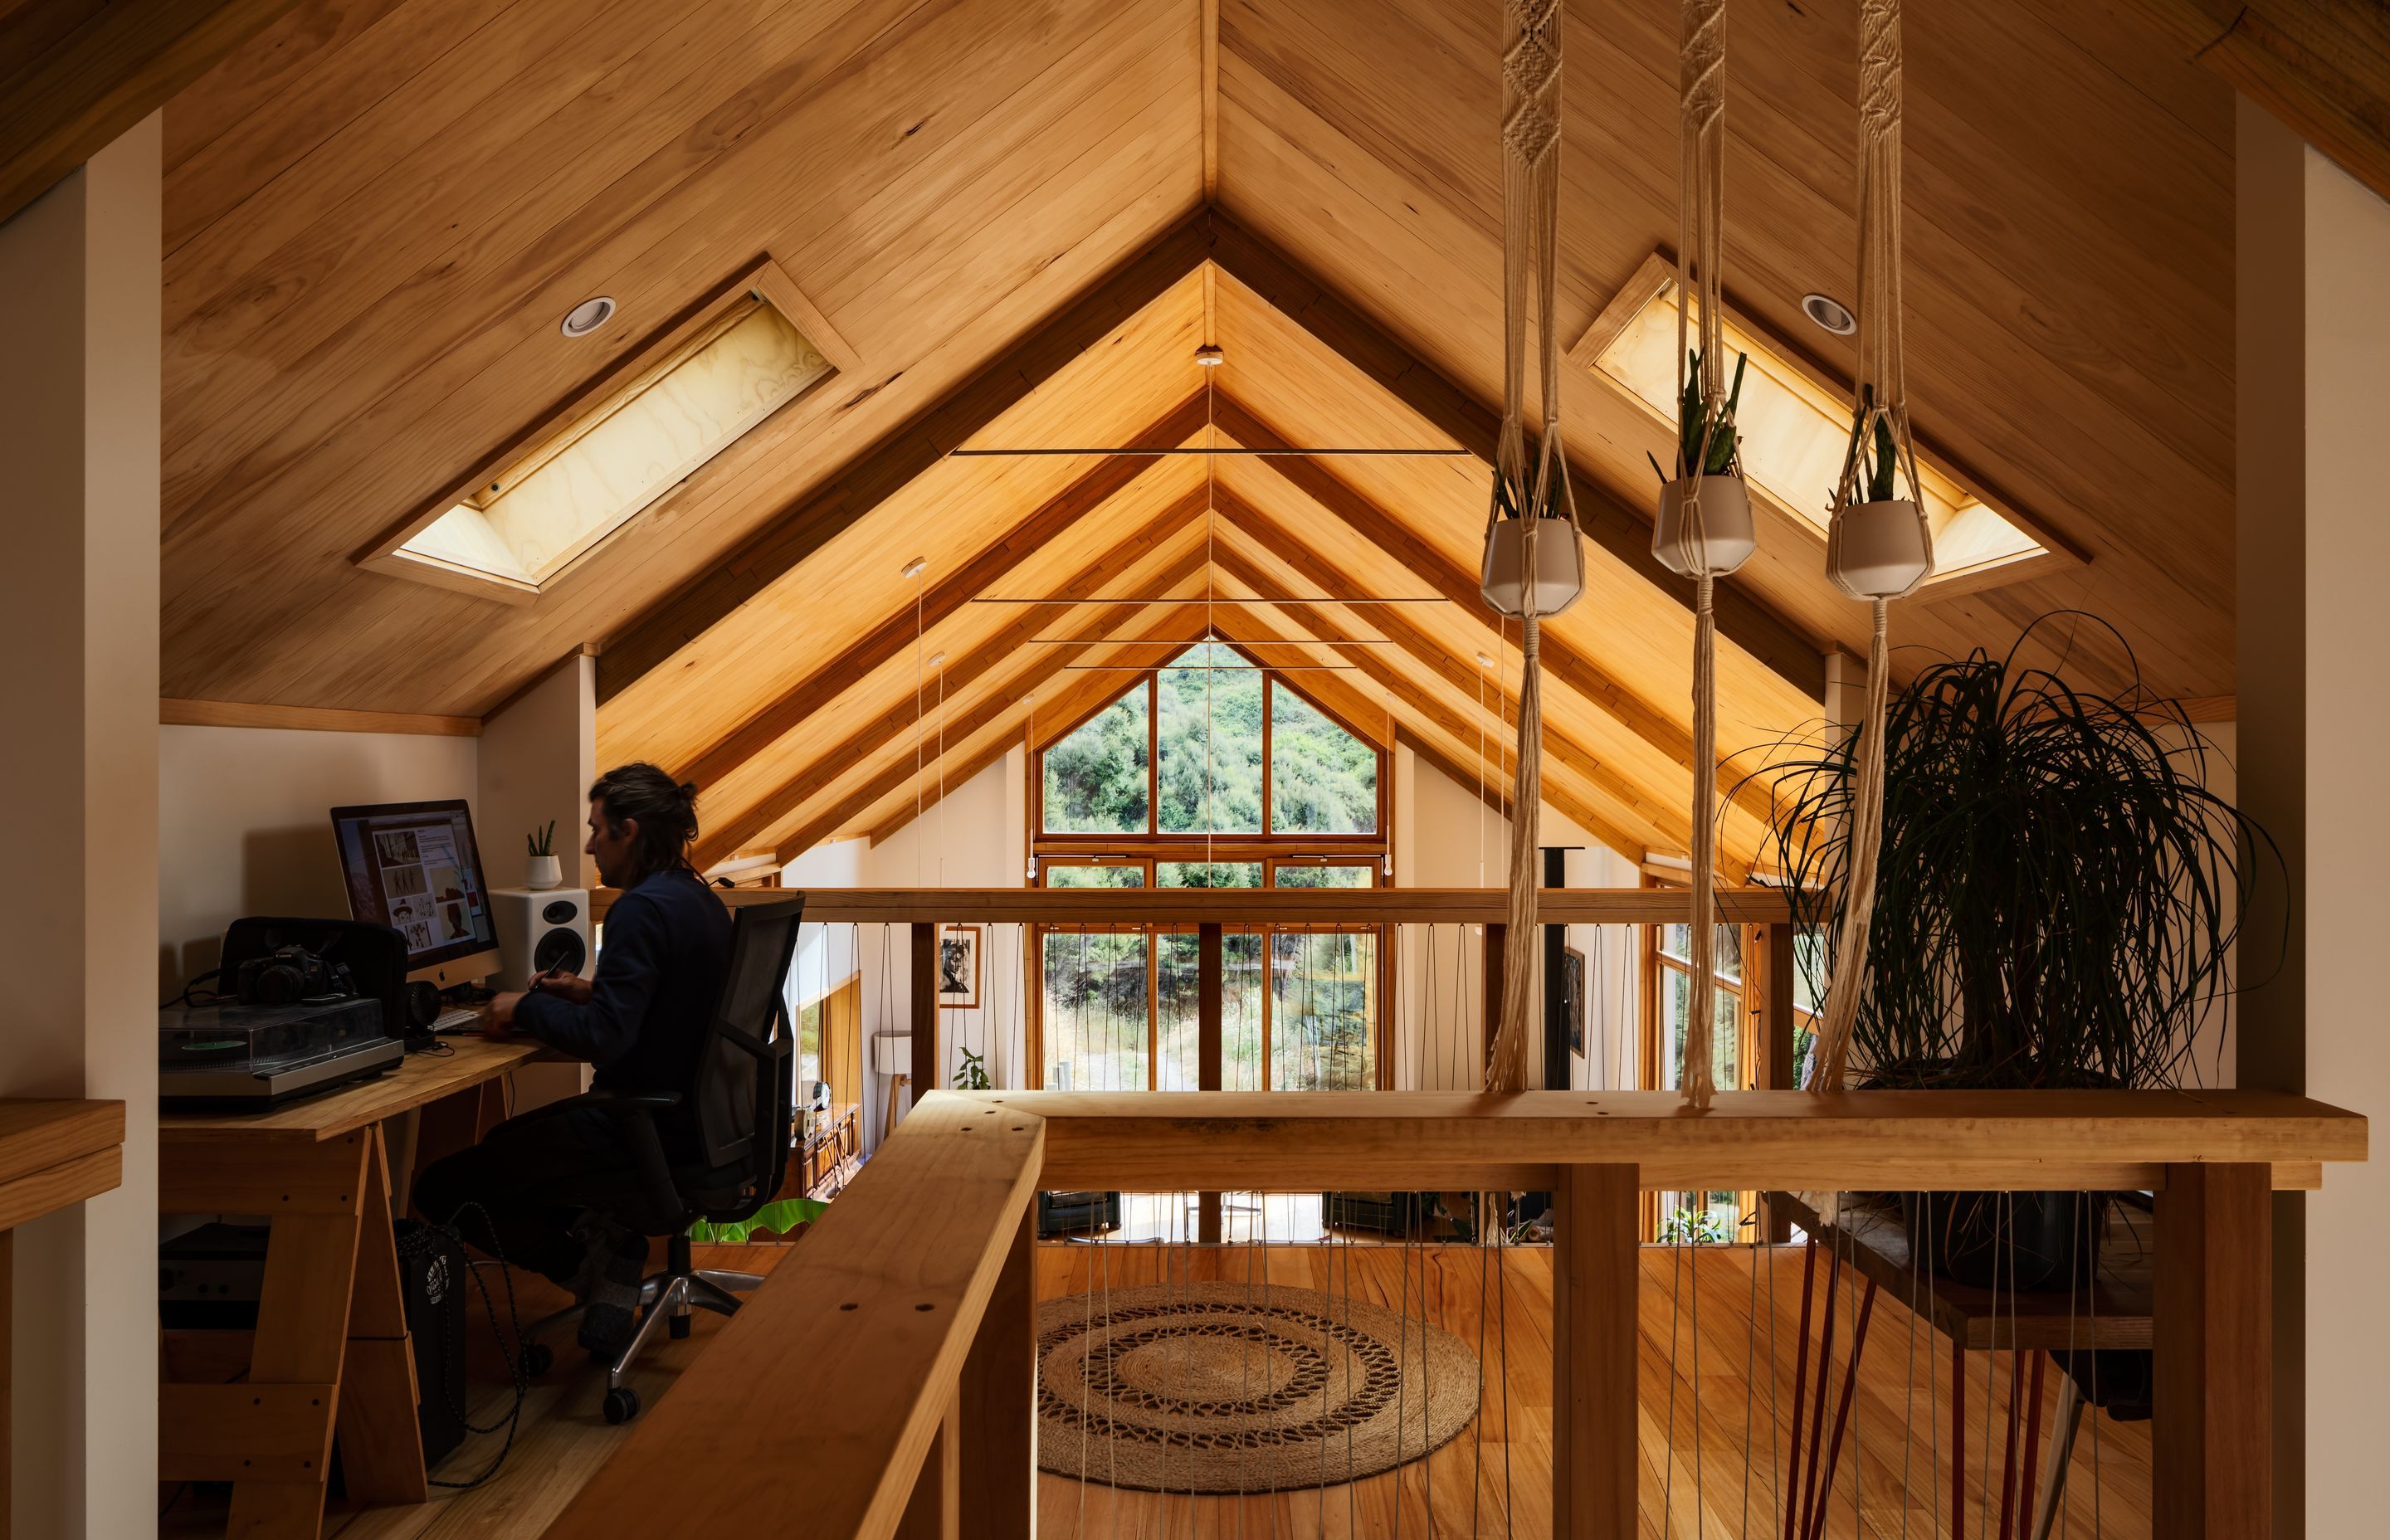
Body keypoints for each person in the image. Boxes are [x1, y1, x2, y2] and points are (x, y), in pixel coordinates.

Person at [413, 764, 733, 1353]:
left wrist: (521, 1007)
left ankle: (589, 1263)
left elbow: (603, 1039)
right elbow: (676, 1002)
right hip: (700, 1122)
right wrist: (589, 992)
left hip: (644, 1126)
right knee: (505, 1150)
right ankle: (608, 1251)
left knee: (444, 1186)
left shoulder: (639, 909)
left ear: (629, 831)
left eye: (596, 829)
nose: (589, 844)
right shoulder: (695, 897)